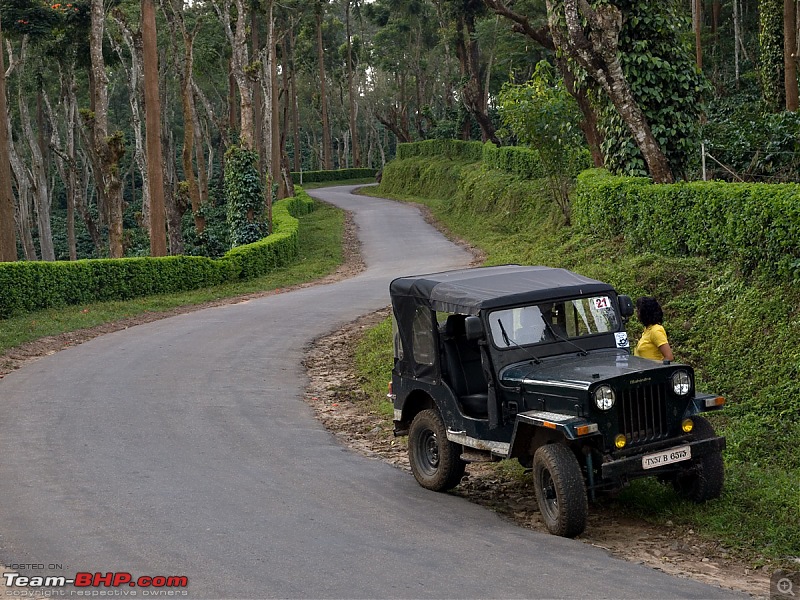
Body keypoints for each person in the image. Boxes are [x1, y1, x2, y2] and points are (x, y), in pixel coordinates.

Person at [634, 296, 674, 361]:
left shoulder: (656, 331)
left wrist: (657, 369)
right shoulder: (647, 330)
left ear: (645, 312)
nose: (637, 313)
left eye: (638, 310)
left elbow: (669, 357)